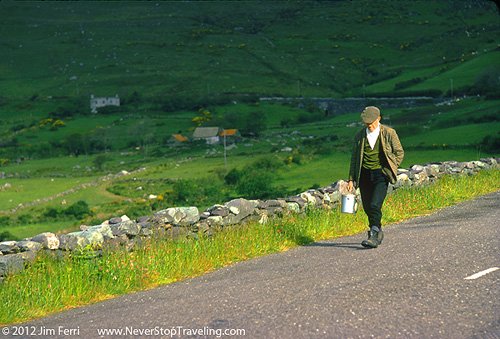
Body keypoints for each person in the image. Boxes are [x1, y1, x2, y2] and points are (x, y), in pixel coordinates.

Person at [347, 106, 404, 248]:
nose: (369, 125)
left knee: (374, 205)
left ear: (379, 118)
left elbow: (399, 152)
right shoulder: (359, 136)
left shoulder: (389, 133)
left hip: (381, 175)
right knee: (367, 207)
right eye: (366, 123)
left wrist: (390, 168)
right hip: (364, 175)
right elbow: (354, 159)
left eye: (371, 122)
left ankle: (373, 233)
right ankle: (377, 231)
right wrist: (350, 179)